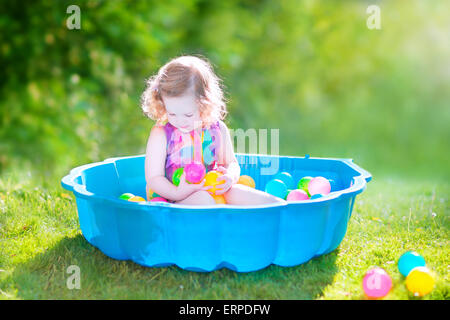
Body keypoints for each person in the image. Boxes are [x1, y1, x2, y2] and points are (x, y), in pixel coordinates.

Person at [141, 55, 285, 206]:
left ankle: (279, 210)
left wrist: (230, 177)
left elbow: (231, 163)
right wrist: (178, 192)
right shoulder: (161, 134)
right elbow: (154, 178)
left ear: (204, 104)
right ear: (163, 104)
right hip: (170, 198)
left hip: (209, 189)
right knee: (204, 200)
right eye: (172, 114)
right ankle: (223, 224)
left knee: (238, 192)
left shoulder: (216, 129)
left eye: (188, 114)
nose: (180, 120)